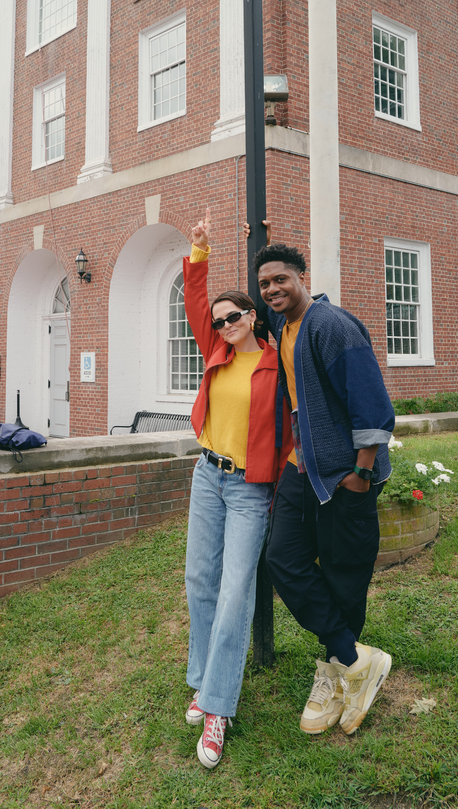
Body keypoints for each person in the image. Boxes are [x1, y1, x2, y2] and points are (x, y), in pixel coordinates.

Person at [247, 228, 395, 736]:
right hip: (301, 467)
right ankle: (356, 661)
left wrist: (361, 472)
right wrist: (256, 239)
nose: (271, 290)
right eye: (265, 282)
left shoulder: (330, 325)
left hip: (345, 473)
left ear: (301, 278)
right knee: (282, 559)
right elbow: (244, 308)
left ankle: (335, 673)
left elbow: (372, 403)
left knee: (343, 570)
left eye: (280, 279)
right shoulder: (282, 324)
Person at [182, 211, 292, 769]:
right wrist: (199, 250)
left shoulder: (277, 365)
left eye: (233, 316)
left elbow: (294, 427)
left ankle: (219, 708)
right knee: (199, 581)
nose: (223, 324)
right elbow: (196, 301)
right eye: (218, 319)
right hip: (207, 476)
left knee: (234, 595)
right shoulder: (217, 351)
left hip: (250, 489)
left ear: (252, 317)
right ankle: (203, 680)